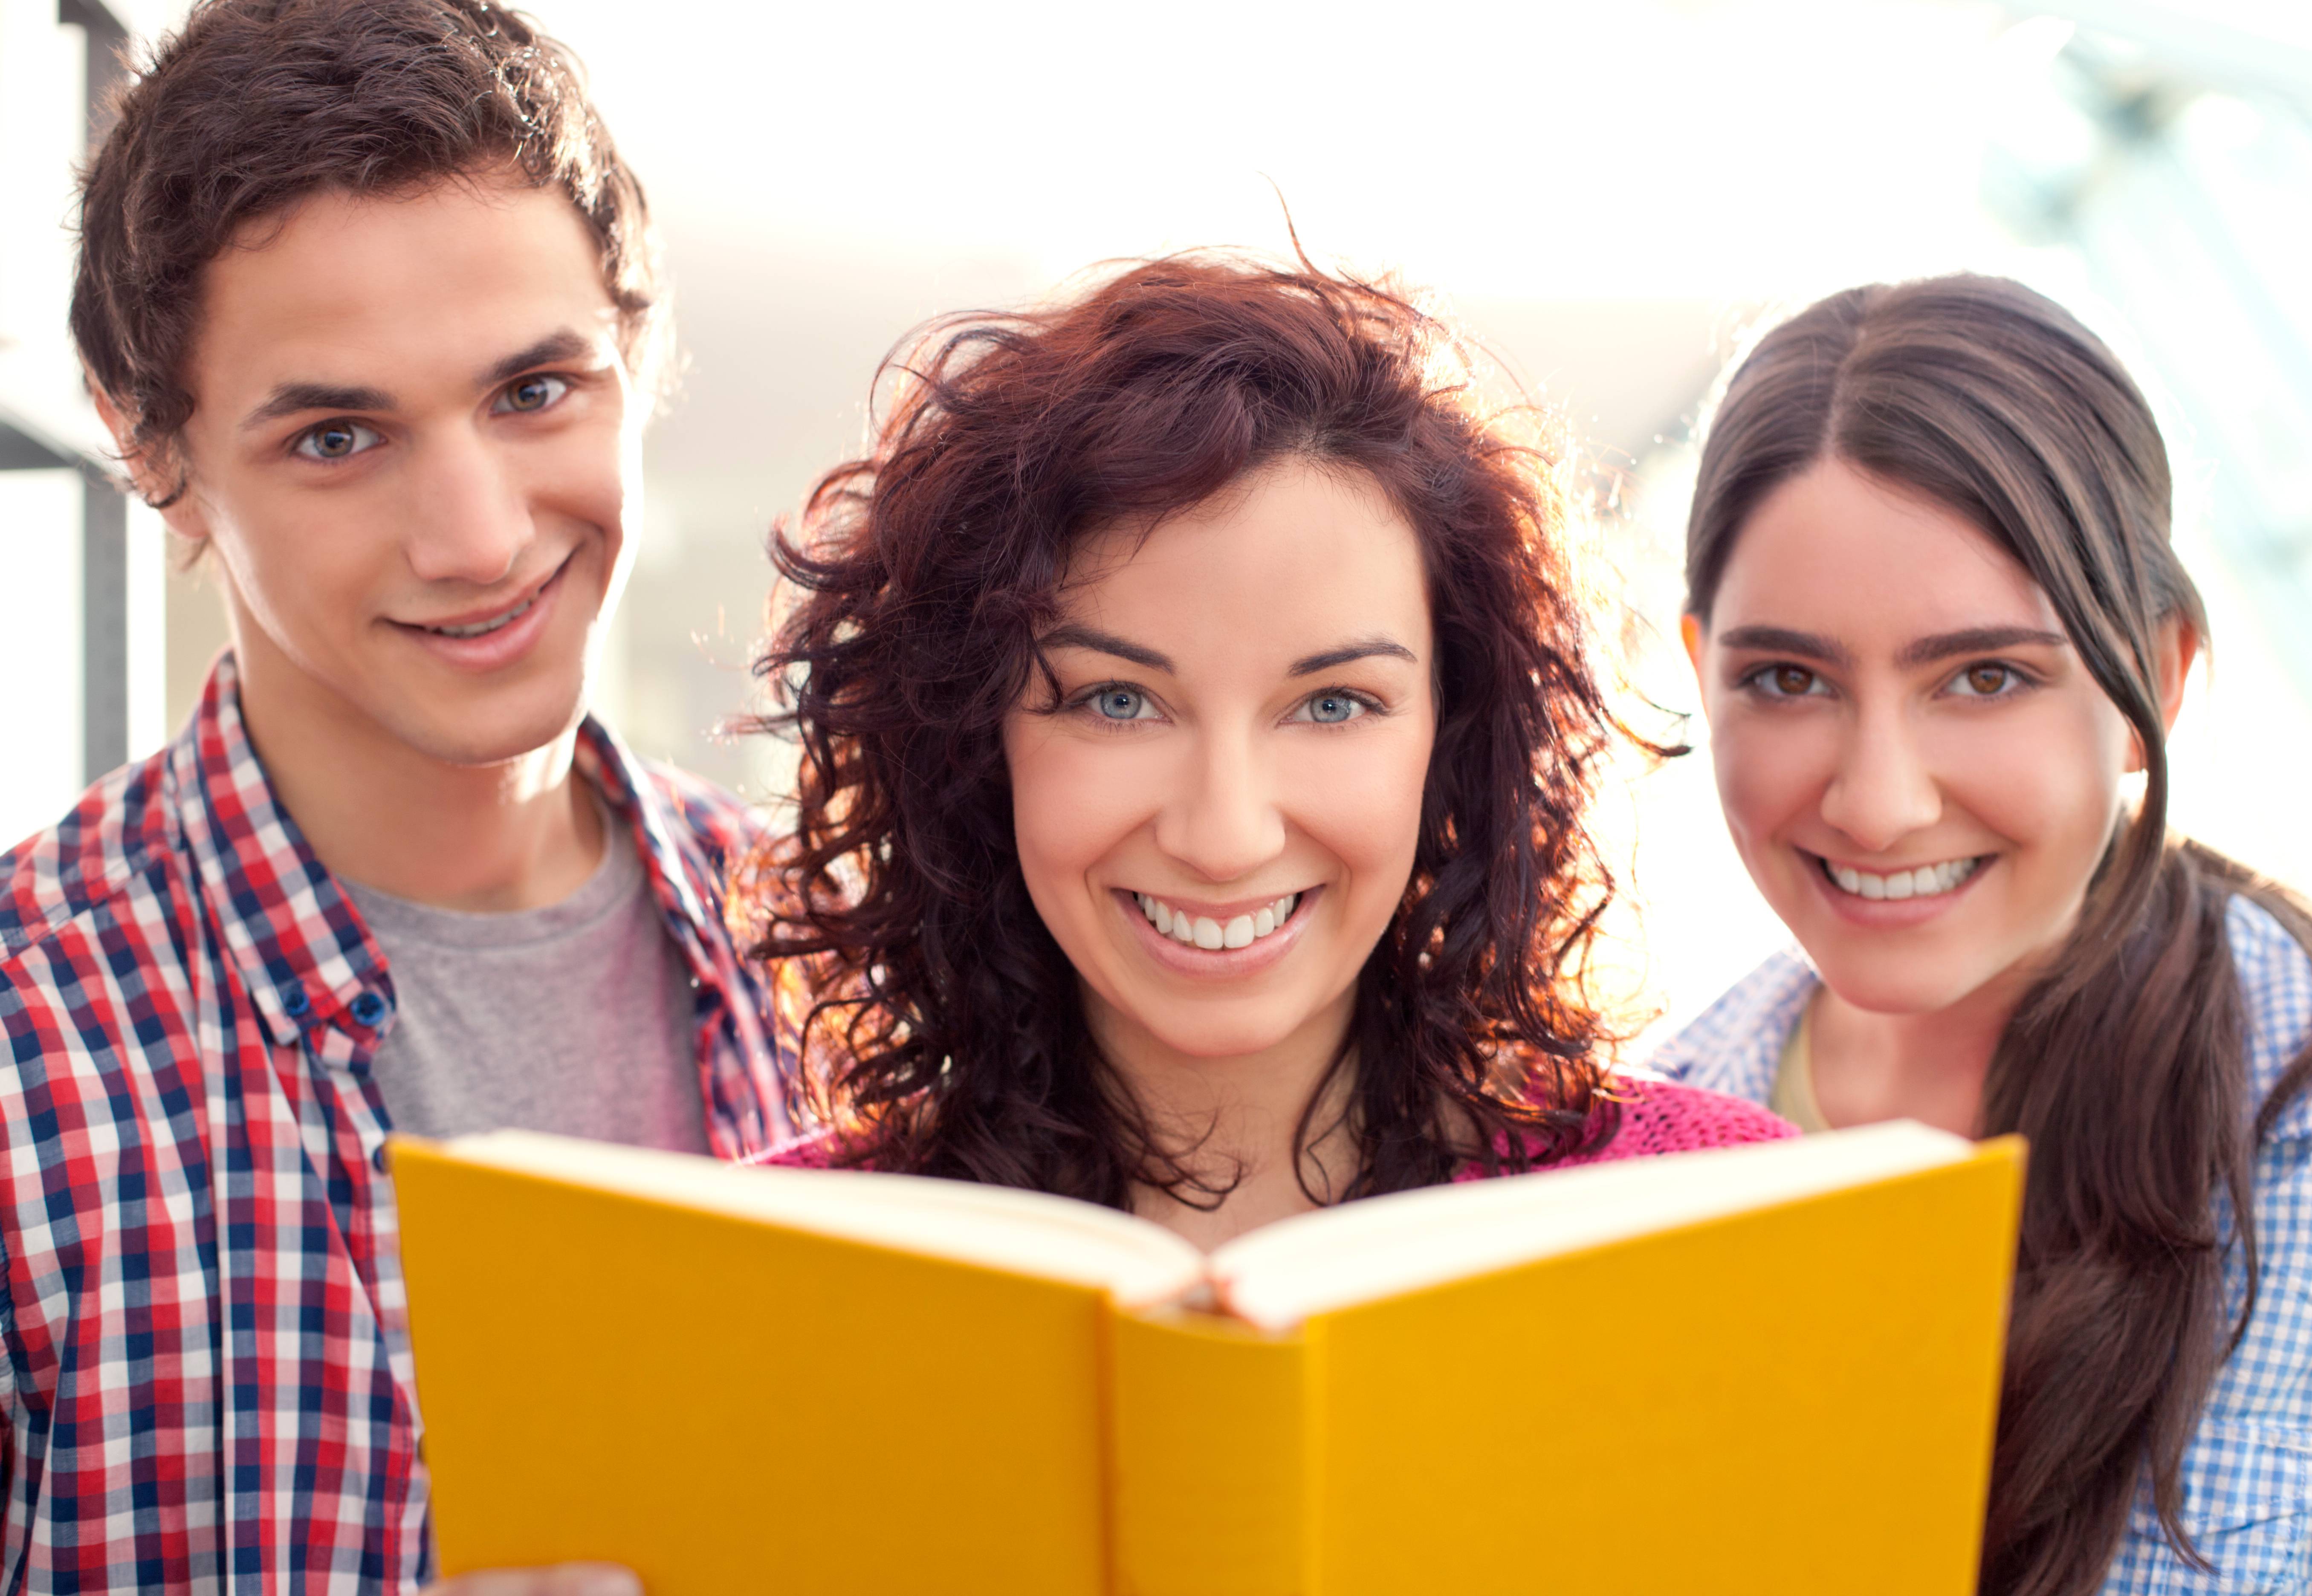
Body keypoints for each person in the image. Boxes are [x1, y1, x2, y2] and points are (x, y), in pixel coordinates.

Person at [0, 0, 794, 1587]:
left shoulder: (838, 955)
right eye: (339, 435)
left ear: (636, 355)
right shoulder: (24, 1045)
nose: (478, 538)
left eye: (533, 393)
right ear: (147, 444)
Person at [744, 253, 1791, 1238]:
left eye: (1333, 705)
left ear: (1456, 735)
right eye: (1117, 700)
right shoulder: (768, 1262)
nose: (1224, 837)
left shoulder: (1719, 1217)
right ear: (974, 739)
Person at [1657, 274, 2312, 1596]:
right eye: (1786, 679)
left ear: (2151, 682)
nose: (1879, 801)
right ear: (1702, 668)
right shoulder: (1633, 1151)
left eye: (1985, 677)